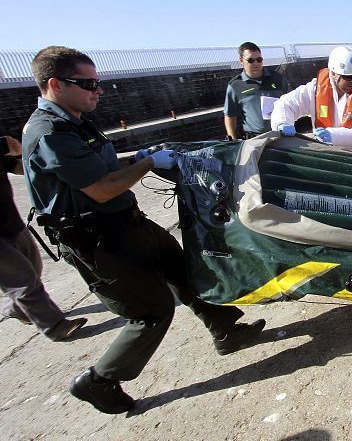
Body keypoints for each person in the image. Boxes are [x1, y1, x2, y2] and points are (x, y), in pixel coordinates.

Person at [22, 46, 265, 414]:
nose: (97, 90)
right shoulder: (49, 133)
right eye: (87, 83)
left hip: (126, 222)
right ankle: (99, 381)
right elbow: (102, 188)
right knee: (150, 312)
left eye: (98, 83)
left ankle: (226, 328)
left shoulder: (75, 119)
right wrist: (149, 163)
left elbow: (98, 166)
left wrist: (133, 159)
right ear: (55, 84)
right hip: (95, 239)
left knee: (187, 269)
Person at [1, 135, 87, 340]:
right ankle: (54, 327)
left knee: (33, 269)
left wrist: (23, 153)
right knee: (23, 279)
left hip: (11, 224)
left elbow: (21, 168)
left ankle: (14, 308)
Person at [272, 46, 352, 157]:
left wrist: (333, 135)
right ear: (334, 74)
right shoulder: (314, 89)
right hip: (329, 154)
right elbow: (285, 104)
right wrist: (283, 122)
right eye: (347, 77)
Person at [223, 41, 290, 140]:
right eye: (251, 60)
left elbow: (292, 102)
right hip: (255, 140)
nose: (256, 63)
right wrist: (232, 140)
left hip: (281, 135)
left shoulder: (278, 79)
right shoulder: (235, 85)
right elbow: (230, 115)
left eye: (259, 59)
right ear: (241, 60)